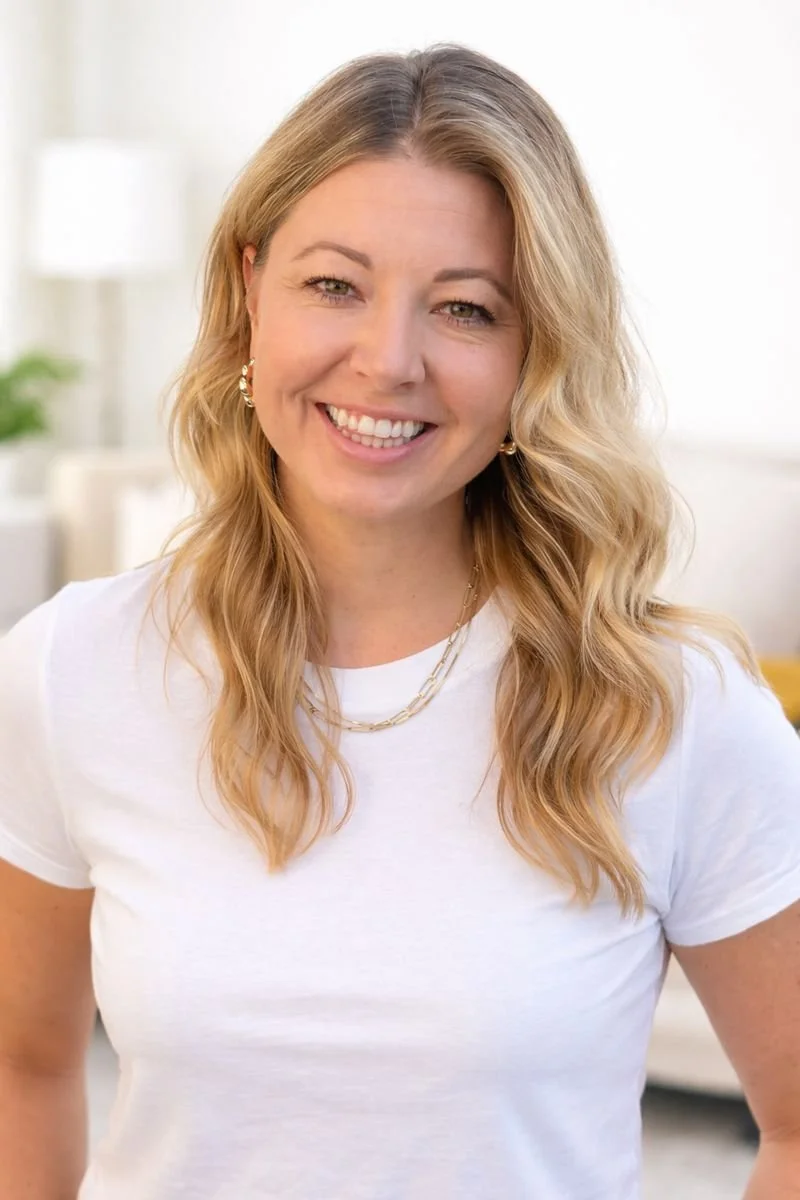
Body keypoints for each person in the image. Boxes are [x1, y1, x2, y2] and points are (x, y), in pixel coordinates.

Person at [1, 43, 799, 1200]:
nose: (386, 361)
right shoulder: (73, 668)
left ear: (537, 353)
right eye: (333, 285)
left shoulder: (670, 706)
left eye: (466, 309)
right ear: (247, 292)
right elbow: (23, 1067)